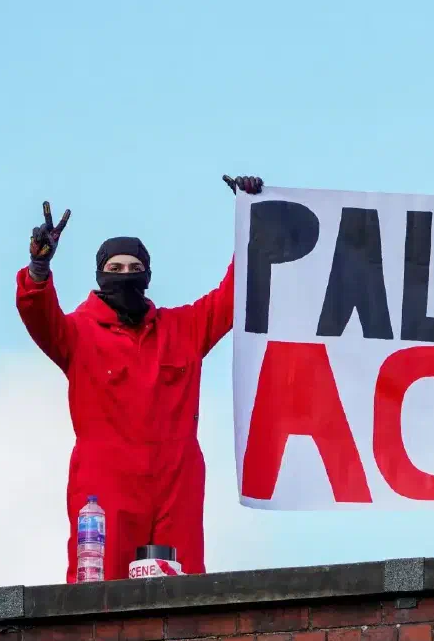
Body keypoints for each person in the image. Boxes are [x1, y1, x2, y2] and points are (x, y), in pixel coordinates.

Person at [15, 175, 263, 582]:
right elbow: (39, 316)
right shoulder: (78, 334)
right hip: (105, 489)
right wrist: (39, 269)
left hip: (175, 485)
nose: (125, 274)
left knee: (182, 597)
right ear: (100, 276)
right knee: (98, 600)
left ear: (148, 276)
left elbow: (234, 293)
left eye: (134, 268)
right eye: (115, 269)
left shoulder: (184, 329)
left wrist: (252, 216)